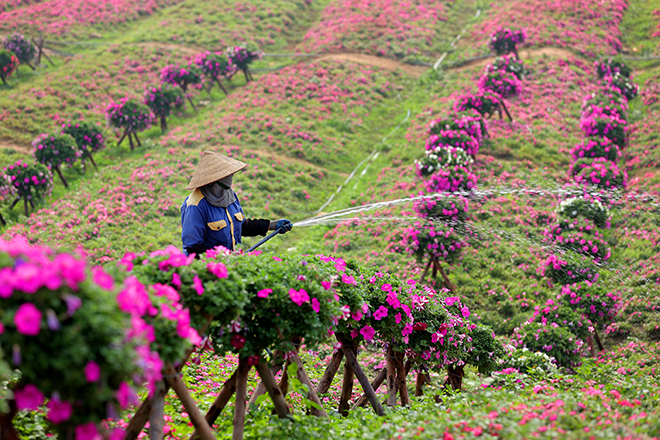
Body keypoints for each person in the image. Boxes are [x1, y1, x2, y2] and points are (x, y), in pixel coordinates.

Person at [180, 150, 293, 256]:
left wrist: (271, 225)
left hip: (231, 263)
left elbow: (241, 226)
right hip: (209, 268)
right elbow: (193, 248)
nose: (231, 177)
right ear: (215, 180)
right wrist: (221, 259)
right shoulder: (195, 205)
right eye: (227, 176)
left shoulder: (229, 195)